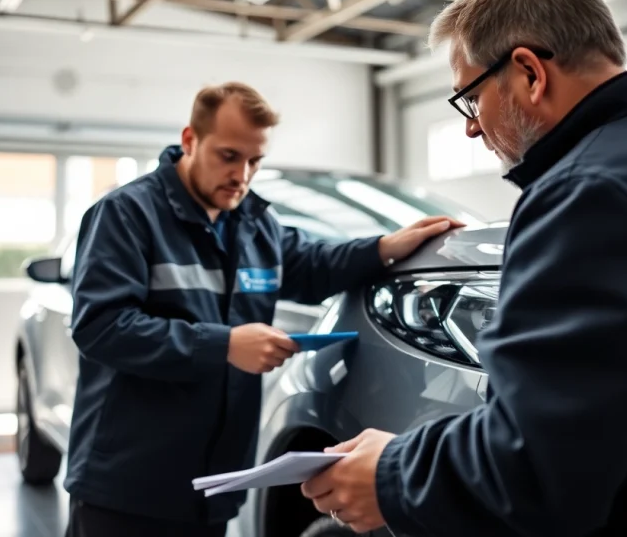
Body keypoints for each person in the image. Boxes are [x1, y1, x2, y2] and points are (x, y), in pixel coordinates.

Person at [300, 0, 627, 535]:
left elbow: (538, 466)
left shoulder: (592, 191)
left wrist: (392, 474)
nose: (471, 126)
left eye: (470, 98)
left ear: (529, 73)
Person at [62, 81, 461, 537]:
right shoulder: (126, 214)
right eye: (229, 156)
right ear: (190, 140)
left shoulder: (254, 225)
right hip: (127, 489)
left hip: (212, 489)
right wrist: (224, 346)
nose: (242, 174)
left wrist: (385, 248)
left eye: (255, 161)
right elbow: (101, 327)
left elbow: (313, 265)